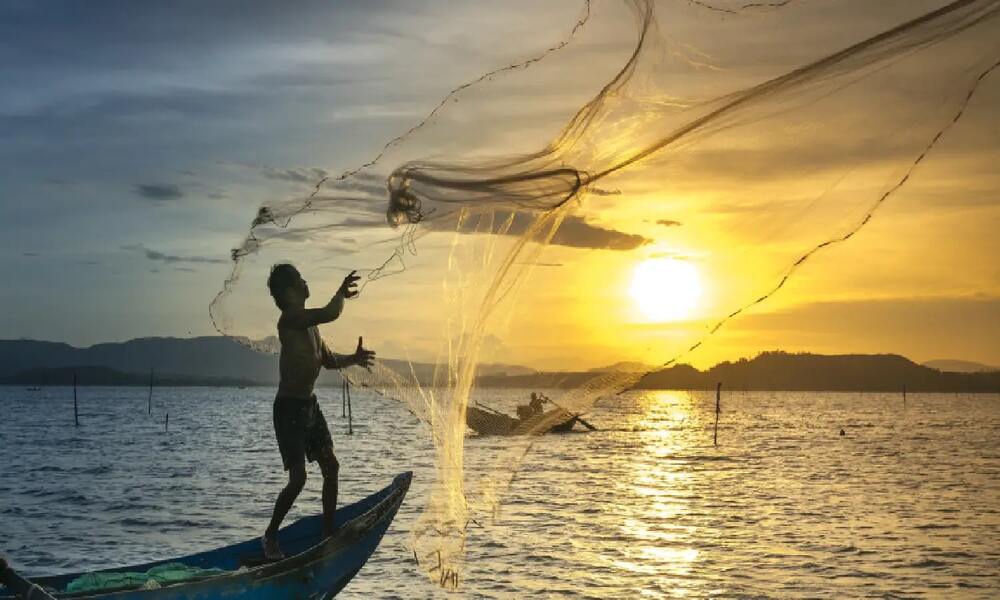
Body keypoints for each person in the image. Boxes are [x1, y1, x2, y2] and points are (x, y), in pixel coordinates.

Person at [262, 264, 375, 561]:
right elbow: (331, 312)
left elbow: (327, 360)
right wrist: (340, 293)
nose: (305, 280)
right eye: (300, 279)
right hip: (288, 410)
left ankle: (327, 533)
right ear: (289, 292)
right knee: (298, 479)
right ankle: (270, 535)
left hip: (309, 406)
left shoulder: (311, 326)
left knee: (331, 467)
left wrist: (353, 358)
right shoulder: (290, 319)